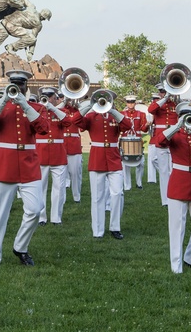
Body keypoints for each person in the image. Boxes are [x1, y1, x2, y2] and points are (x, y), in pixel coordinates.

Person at [0, 70, 49, 266]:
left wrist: (25, 104)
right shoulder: (0, 107)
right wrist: (1, 101)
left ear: (27, 88)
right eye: (14, 85)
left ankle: (20, 247)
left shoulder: (35, 107)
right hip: (5, 165)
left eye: (21, 85)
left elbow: (43, 129)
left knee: (35, 209)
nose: (18, 88)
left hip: (29, 165)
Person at [153, 100, 191, 273]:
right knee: (177, 227)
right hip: (178, 183)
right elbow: (159, 141)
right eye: (185, 116)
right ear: (179, 117)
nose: (189, 119)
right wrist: (177, 126)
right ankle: (176, 266)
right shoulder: (175, 134)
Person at [78, 92, 131, 239]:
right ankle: (98, 230)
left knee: (117, 193)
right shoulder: (91, 116)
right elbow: (76, 121)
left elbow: (128, 125)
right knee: (97, 197)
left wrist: (112, 109)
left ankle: (115, 227)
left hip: (114, 159)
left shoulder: (116, 116)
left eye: (108, 100)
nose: (104, 102)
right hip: (97, 159)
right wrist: (89, 106)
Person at [37, 87, 72, 226]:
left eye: (50, 96)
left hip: (58, 153)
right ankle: (41, 217)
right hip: (41, 153)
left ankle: (56, 217)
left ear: (55, 97)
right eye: (44, 96)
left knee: (59, 187)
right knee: (41, 187)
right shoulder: (37, 111)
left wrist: (54, 108)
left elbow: (68, 122)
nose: (47, 98)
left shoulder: (60, 112)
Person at [147, 84, 178, 207]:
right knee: (164, 170)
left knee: (174, 168)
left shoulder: (176, 104)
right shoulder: (158, 103)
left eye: (165, 91)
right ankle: (165, 199)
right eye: (161, 91)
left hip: (174, 137)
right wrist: (165, 98)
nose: (163, 93)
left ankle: (175, 193)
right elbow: (150, 110)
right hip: (161, 137)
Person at [120, 96, 146, 190]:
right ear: (126, 103)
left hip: (138, 140)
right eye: (128, 102)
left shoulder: (141, 114)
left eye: (132, 102)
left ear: (135, 103)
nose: (130, 104)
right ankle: (127, 185)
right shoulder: (121, 113)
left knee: (141, 162)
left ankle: (139, 183)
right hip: (125, 139)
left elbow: (143, 128)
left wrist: (146, 125)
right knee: (125, 163)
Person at [62, 97, 84, 203]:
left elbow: (83, 127)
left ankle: (77, 196)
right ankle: (61, 198)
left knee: (75, 173)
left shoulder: (76, 111)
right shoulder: (59, 109)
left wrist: (79, 108)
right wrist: (63, 104)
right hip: (61, 144)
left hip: (74, 145)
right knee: (60, 174)